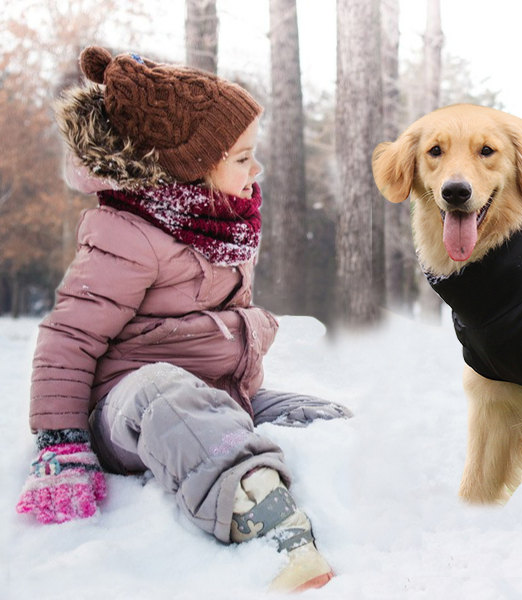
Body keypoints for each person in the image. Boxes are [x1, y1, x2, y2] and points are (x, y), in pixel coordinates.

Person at [15, 46, 350, 593]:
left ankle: (350, 483)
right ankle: (269, 528)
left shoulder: (220, 222)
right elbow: (68, 338)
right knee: (166, 392)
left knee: (314, 416)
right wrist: (61, 443)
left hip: (218, 394)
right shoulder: (127, 233)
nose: (255, 169)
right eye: (242, 158)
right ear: (192, 167)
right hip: (128, 409)